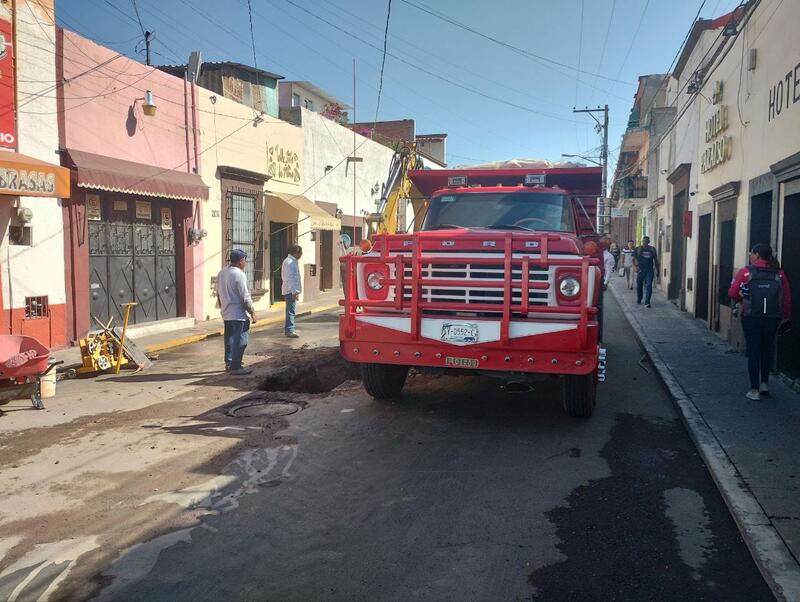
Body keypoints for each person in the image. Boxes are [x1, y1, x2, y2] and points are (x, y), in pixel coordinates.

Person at [728, 243, 792, 401]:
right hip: (772, 318)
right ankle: (764, 384)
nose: (750, 255)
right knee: (767, 350)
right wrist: (785, 317)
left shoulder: (746, 272)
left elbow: (732, 292)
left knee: (754, 351)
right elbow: (786, 299)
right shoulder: (780, 274)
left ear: (756, 254)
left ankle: (754, 390)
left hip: (751, 317)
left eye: (751, 253)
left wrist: (741, 299)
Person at [217, 249, 257, 375]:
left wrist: (222, 307)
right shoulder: (239, 274)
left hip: (226, 312)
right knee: (241, 340)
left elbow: (218, 293)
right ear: (241, 261)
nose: (245, 263)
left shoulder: (222, 272)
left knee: (229, 338)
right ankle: (236, 366)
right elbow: (245, 297)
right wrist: (253, 313)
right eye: (245, 260)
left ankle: (229, 362)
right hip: (238, 314)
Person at [281, 244, 303, 338]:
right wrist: (294, 292)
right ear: (295, 253)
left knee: (290, 310)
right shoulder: (290, 262)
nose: (301, 255)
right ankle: (290, 330)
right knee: (291, 311)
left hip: (290, 289)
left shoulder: (290, 261)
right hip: (290, 290)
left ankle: (290, 329)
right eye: (300, 253)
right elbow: (291, 278)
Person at [633, 236, 659, 308]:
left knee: (649, 285)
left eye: (646, 241)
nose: (644, 242)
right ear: (642, 241)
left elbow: (656, 261)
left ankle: (647, 301)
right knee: (639, 286)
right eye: (643, 241)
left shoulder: (652, 249)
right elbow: (633, 259)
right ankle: (639, 298)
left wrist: (658, 271)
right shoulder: (638, 249)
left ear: (649, 242)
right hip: (640, 270)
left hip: (649, 270)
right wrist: (635, 266)